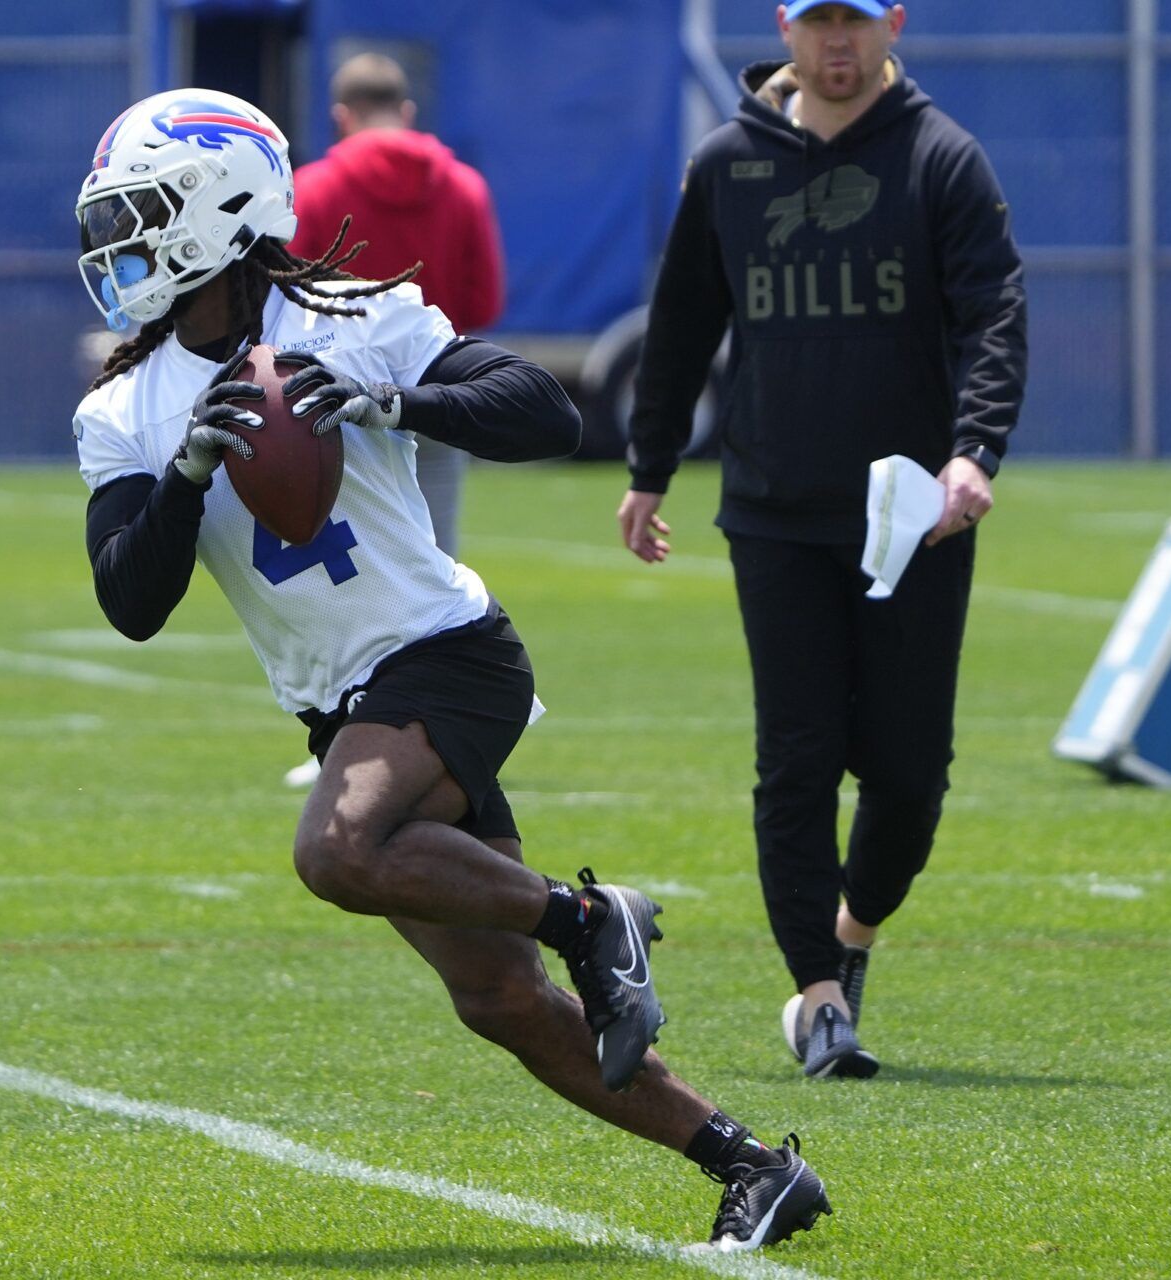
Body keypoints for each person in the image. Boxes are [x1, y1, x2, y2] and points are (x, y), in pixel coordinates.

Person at [76, 86, 829, 1251]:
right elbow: (131, 600)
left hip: (447, 656)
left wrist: (395, 400)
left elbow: (543, 411)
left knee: (336, 848)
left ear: (219, 209)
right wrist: (184, 476)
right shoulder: (125, 406)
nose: (118, 243)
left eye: (143, 212)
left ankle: (591, 916)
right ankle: (751, 1165)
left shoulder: (349, 318)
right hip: (348, 704)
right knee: (501, 998)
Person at [617, 1, 1027, 1079]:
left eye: (857, 22)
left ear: (894, 23)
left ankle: (849, 939)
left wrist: (975, 450)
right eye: (818, 23)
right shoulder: (729, 163)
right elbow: (683, 318)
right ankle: (815, 999)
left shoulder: (943, 157)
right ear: (785, 27)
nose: (837, 45)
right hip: (774, 506)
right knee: (795, 761)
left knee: (906, 775)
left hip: (915, 517)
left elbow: (995, 311)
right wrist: (649, 465)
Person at [282, 52, 507, 789]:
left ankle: (357, 740)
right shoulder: (465, 188)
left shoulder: (314, 189)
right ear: (407, 112)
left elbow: (285, 303)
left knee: (351, 581)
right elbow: (484, 296)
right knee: (431, 565)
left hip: (336, 412)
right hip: (434, 397)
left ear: (340, 116)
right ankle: (441, 731)